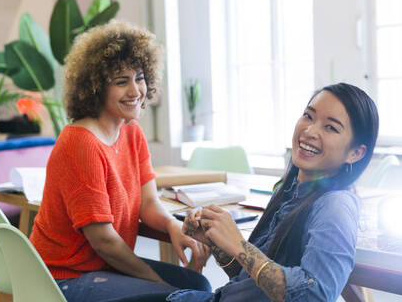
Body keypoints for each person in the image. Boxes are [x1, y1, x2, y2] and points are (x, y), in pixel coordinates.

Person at [29, 20, 211, 302]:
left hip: (104, 266)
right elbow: (103, 241)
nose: (135, 90)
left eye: (139, 77)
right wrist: (155, 281)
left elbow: (149, 204)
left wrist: (173, 226)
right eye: (121, 81)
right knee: (178, 297)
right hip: (61, 278)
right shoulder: (81, 142)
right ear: (96, 88)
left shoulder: (131, 131)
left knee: (199, 286)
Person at [169, 83, 379, 302]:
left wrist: (240, 246)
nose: (310, 131)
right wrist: (217, 242)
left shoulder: (336, 205)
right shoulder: (289, 191)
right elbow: (253, 283)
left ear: (356, 153)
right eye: (308, 116)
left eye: (331, 127)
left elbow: (315, 295)